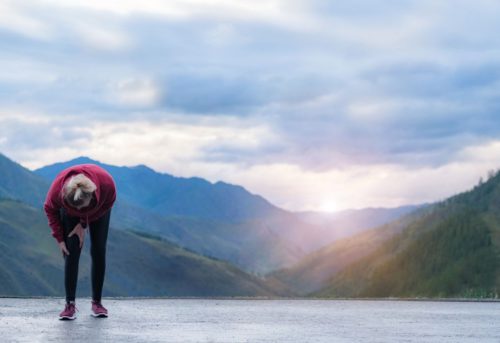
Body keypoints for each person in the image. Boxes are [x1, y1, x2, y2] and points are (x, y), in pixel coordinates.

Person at [44, 163, 116, 320]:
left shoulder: (107, 185)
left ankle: (97, 302)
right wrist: (60, 239)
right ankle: (69, 304)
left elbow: (109, 203)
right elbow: (49, 209)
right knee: (71, 250)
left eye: (82, 209)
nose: (80, 212)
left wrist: (83, 223)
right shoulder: (58, 191)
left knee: (98, 249)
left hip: (99, 207)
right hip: (71, 208)